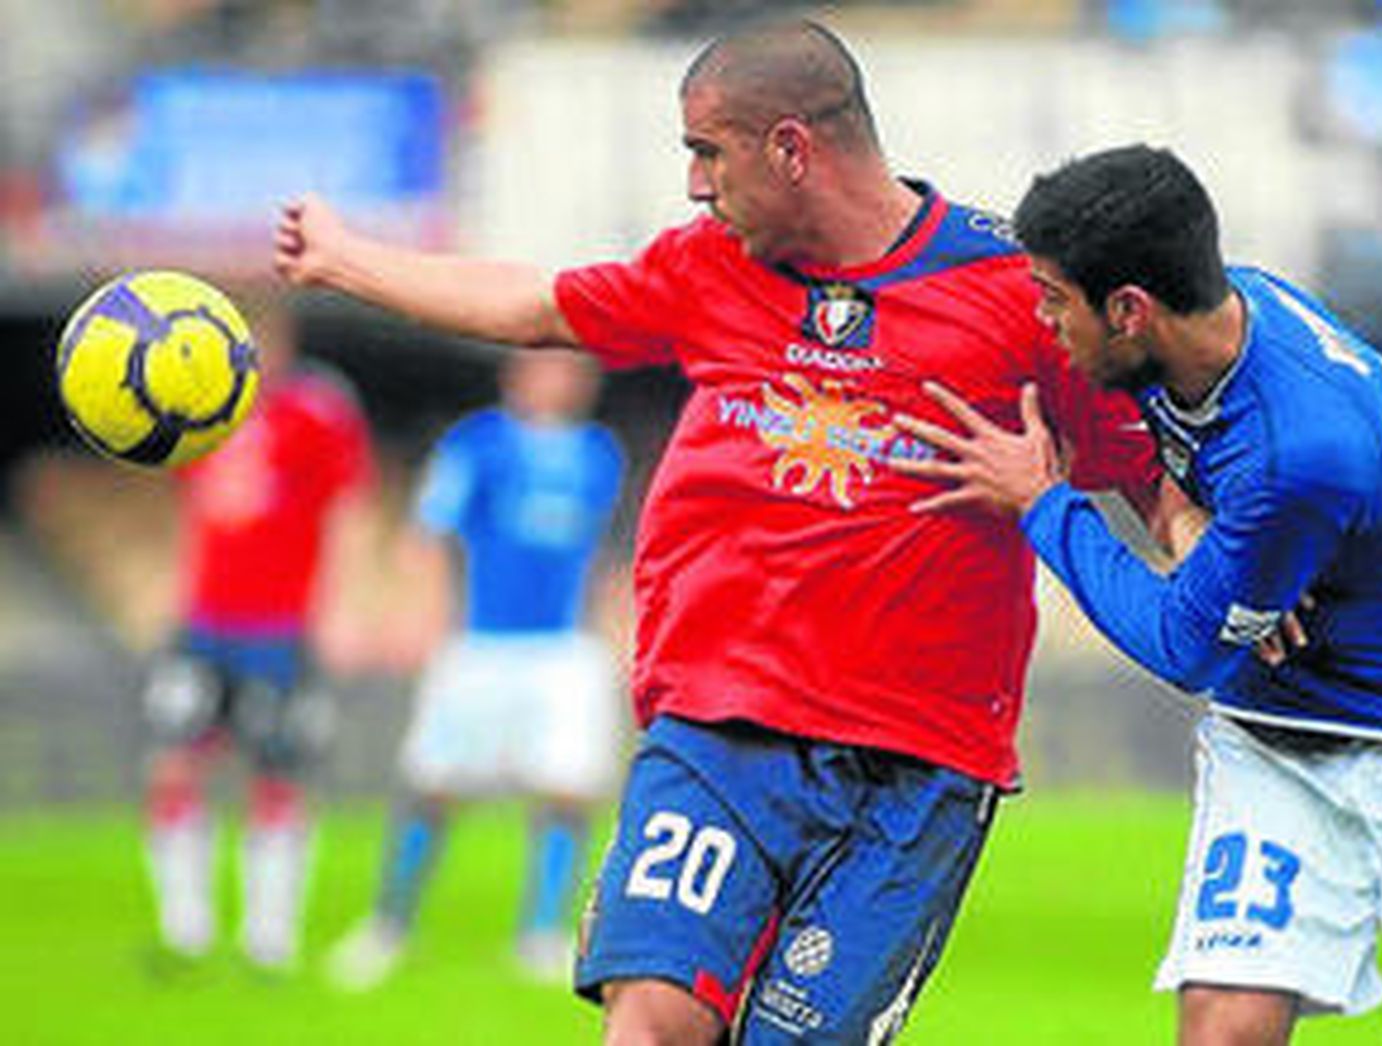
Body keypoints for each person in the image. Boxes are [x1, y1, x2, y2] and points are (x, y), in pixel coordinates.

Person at [274, 18, 1166, 1043]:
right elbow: (534, 306)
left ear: (790, 148)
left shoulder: (1016, 294)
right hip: (717, 728)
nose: (696, 184)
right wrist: (344, 259)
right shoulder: (708, 267)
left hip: (916, 767)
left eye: (708, 151)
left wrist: (1252, 595)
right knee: (649, 1019)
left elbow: (1149, 471)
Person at [892, 144, 1382, 1044]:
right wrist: (1196, 538)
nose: (1042, 319)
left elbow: (1184, 647)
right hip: (1283, 733)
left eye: (1056, 298)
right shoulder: (1216, 324)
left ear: (1130, 310)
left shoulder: (1298, 452)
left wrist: (1044, 507)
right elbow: (1185, 472)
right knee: (1224, 1029)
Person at [327, 348, 626, 989]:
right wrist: (422, 615)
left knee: (569, 789)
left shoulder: (600, 454)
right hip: (481, 644)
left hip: (563, 651)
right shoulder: (478, 442)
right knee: (431, 785)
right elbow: (428, 532)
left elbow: (601, 553)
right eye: (550, 366)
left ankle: (542, 934)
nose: (563, 380)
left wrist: (614, 633)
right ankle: (387, 925)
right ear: (517, 375)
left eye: (574, 369)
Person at [143, 294, 377, 972]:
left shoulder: (318, 410)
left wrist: (341, 609)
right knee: (172, 766)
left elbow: (350, 510)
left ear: (279, 339)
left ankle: (268, 936)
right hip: (204, 623)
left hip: (280, 628)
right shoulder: (198, 411)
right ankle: (186, 928)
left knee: (277, 773)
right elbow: (193, 508)